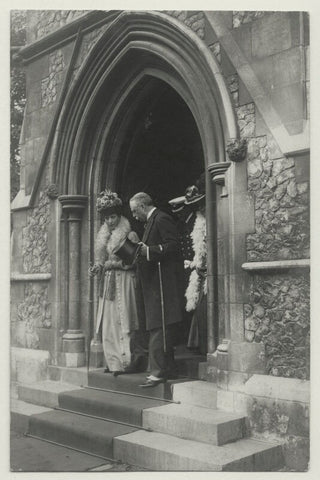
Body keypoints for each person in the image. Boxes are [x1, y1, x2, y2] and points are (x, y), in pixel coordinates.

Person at [129, 192, 184, 387]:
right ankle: (168, 369)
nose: (134, 216)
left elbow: (174, 246)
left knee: (158, 326)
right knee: (159, 325)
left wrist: (150, 251)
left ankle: (158, 372)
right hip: (152, 283)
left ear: (143, 207)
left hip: (162, 283)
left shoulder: (162, 218)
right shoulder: (151, 221)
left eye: (135, 211)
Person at [89, 189, 140, 375]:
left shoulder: (130, 235)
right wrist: (98, 267)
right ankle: (112, 362)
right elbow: (101, 261)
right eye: (107, 218)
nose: (110, 221)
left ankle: (126, 362)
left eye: (113, 217)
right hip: (108, 283)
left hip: (125, 281)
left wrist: (113, 264)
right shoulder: (103, 237)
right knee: (109, 320)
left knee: (124, 318)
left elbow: (135, 261)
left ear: (119, 216)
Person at [184, 185, 207, 355]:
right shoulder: (199, 222)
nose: (200, 209)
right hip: (202, 273)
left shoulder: (213, 220)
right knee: (199, 310)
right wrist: (195, 264)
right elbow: (200, 250)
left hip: (211, 273)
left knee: (204, 310)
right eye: (197, 206)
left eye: (202, 204)